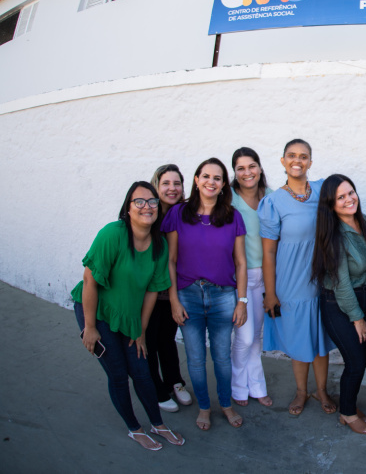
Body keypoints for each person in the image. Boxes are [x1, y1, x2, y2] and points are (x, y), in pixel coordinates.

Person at [73, 181, 185, 450]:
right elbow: (90, 281)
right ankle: (135, 428)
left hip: (129, 316)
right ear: (128, 207)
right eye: (140, 202)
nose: (147, 207)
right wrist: (89, 327)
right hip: (97, 311)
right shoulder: (113, 233)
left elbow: (150, 292)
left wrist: (141, 332)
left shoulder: (158, 245)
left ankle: (158, 424)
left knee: (142, 371)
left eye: (152, 202)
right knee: (119, 374)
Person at [164, 158, 248, 431]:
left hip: (224, 295)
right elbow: (171, 260)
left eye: (217, 178)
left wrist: (242, 301)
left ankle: (225, 404)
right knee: (196, 358)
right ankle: (203, 407)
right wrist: (174, 299)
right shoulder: (178, 213)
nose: (211, 182)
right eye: (206, 176)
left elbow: (241, 262)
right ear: (197, 180)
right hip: (188, 294)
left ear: (224, 184)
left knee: (222, 357)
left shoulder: (233, 216)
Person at [260, 139, 335, 416]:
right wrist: (270, 292)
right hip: (290, 283)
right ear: (282, 161)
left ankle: (322, 390)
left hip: (322, 280)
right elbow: (268, 252)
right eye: (291, 155)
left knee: (320, 338)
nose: (297, 160)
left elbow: (349, 203)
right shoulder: (273, 203)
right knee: (299, 338)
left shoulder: (322, 190)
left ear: (310, 163)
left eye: (303, 156)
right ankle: (302, 391)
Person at [312, 175, 366, 434]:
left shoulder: (365, 223)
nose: (349, 199)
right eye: (340, 197)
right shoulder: (334, 235)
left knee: (359, 358)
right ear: (330, 204)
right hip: (340, 303)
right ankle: (347, 414)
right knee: (356, 361)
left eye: (351, 192)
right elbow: (340, 283)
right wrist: (357, 317)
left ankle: (348, 403)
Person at [146, 164, 192, 413]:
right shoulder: (148, 214)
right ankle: (156, 387)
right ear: (156, 185)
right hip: (148, 291)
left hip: (172, 290)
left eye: (177, 184)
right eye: (166, 183)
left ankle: (175, 381)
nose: (172, 188)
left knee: (167, 338)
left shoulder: (184, 213)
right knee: (149, 340)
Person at [230, 148, 273, 408]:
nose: (247, 172)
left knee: (255, 337)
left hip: (265, 275)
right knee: (244, 337)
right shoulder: (228, 199)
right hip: (239, 276)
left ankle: (256, 386)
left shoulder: (270, 197)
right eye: (241, 168)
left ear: (260, 168)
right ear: (234, 173)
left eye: (252, 166)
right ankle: (237, 386)